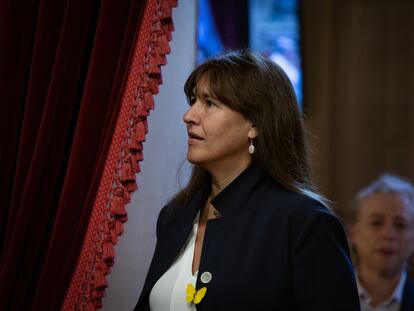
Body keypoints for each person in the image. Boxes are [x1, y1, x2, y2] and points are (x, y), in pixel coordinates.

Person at [134, 49, 360, 310]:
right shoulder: (174, 216)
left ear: (254, 124)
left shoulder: (304, 222)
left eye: (209, 103)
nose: (189, 116)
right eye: (193, 100)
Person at [349, 174, 414, 311]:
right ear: (354, 232)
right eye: (376, 223)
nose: (388, 234)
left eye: (400, 225)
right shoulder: (325, 296)